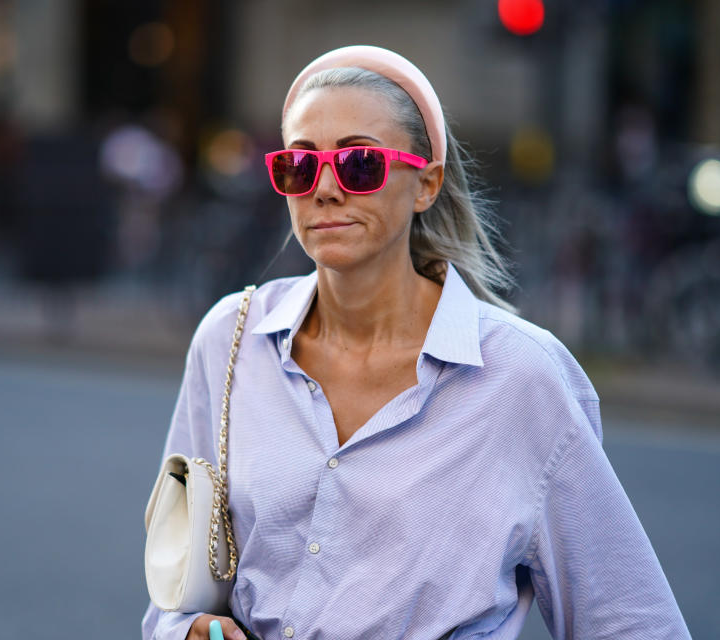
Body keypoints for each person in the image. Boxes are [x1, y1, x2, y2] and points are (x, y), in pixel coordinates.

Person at [142, 45, 690, 640]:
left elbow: (629, 620)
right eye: (299, 165)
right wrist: (187, 629)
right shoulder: (230, 339)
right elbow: (177, 582)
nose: (324, 189)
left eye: (359, 164)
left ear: (426, 184)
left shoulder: (521, 377)